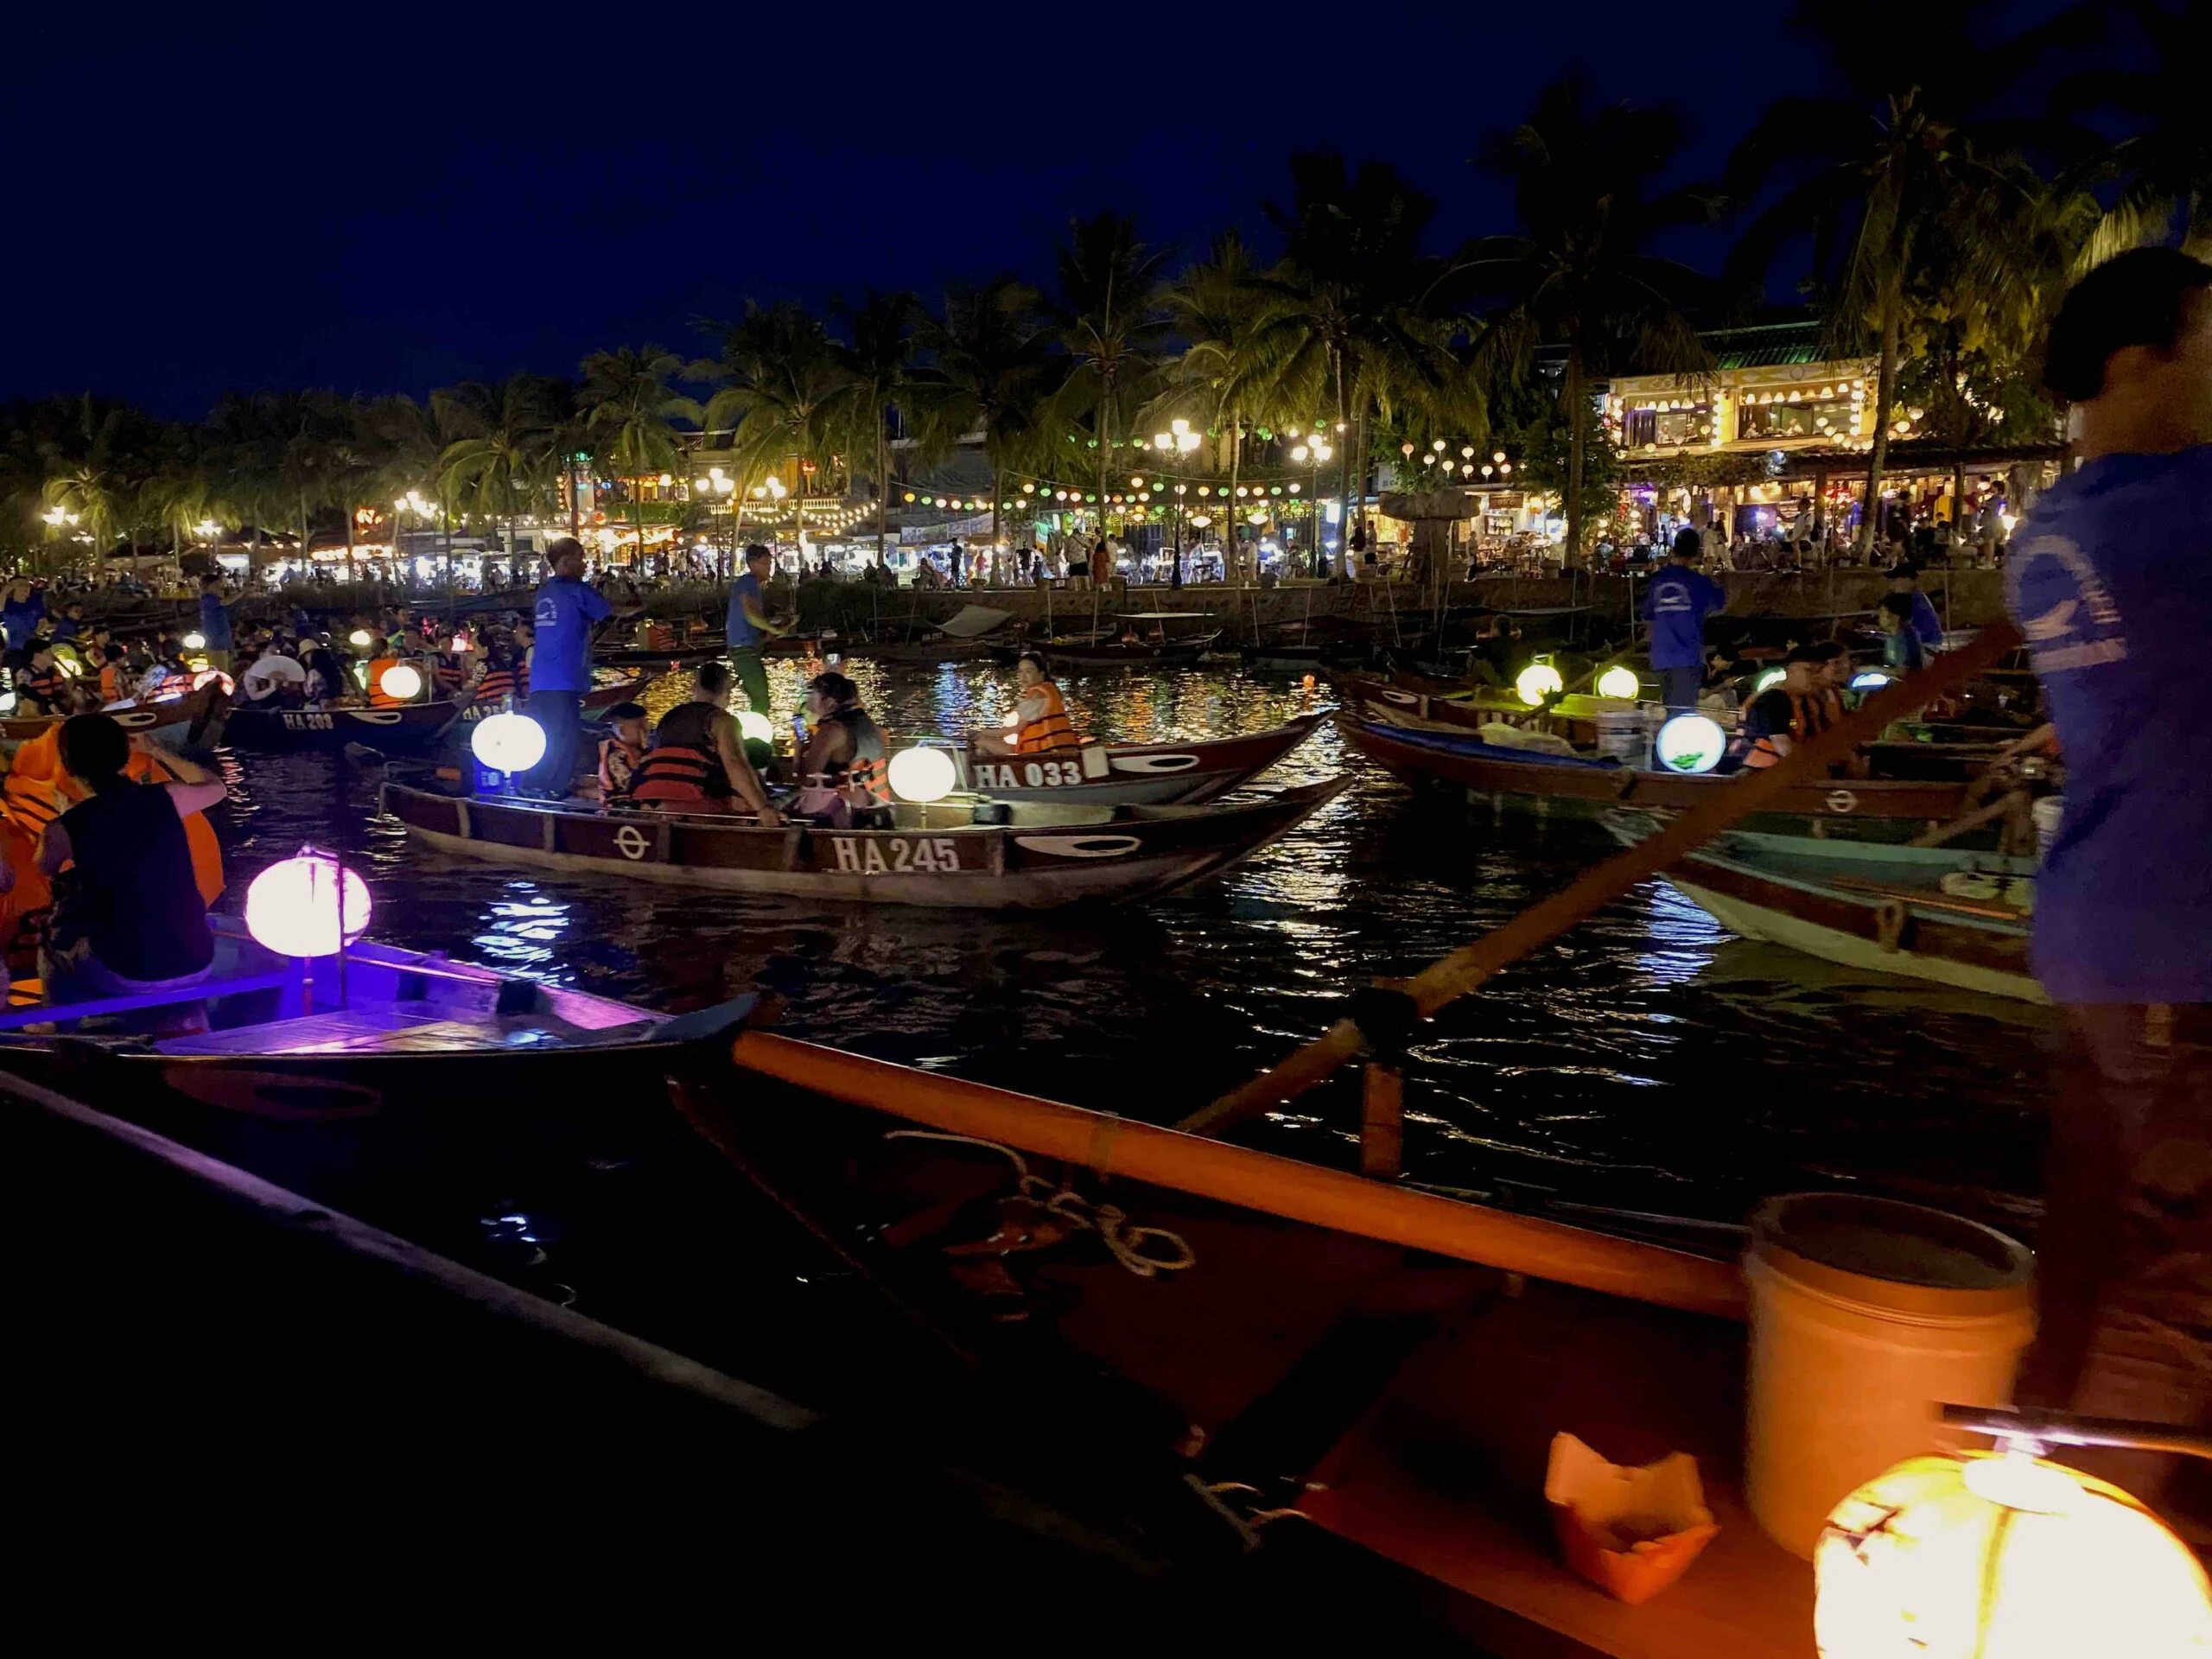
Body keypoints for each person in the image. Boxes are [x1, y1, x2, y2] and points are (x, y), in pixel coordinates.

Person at [1999, 248, 2212, 1507]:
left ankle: (2043, 1503)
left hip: (2103, 935)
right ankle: (2102, 1550)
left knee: (2089, 1263)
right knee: (2172, 1286)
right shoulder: (2182, 514)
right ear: (2140, 364)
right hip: (2179, 953)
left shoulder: (2058, 526)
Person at [37, 716, 226, 1022]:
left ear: (68, 764)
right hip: (197, 960)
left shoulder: (65, 826)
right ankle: (192, 1020)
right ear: (125, 755)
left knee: (50, 941)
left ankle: (61, 1036)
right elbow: (216, 787)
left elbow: (45, 867)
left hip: (124, 970)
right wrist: (158, 752)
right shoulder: (166, 797)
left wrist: (66, 816)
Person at [529, 537, 640, 798]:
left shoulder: (544, 592)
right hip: (565, 678)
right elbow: (613, 613)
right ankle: (555, 790)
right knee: (565, 737)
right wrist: (636, 603)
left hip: (540, 679)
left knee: (544, 734)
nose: (585, 562)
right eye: (580, 557)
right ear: (567, 562)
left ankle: (534, 782)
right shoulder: (578, 590)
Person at [630, 661, 781, 822]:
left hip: (657, 803)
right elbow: (735, 764)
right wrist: (762, 808)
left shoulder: (669, 717)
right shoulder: (723, 721)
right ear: (727, 693)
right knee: (747, 808)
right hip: (701, 805)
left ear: (694, 688)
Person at [1641, 528, 1728, 712]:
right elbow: (1720, 601)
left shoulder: (1657, 581)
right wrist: (1711, 574)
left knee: (1668, 708)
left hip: (1660, 656)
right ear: (1697, 552)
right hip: (1686, 656)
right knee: (1682, 713)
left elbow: (1647, 612)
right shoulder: (1699, 582)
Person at [793, 672, 892, 828]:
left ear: (829, 701)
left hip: (845, 816)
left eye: (812, 692)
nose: (807, 697)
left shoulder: (831, 731)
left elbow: (806, 779)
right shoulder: (870, 725)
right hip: (878, 808)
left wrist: (798, 751)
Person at [1738, 645, 1839, 769]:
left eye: (1817, 672)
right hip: (1765, 773)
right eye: (1808, 671)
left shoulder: (1808, 703)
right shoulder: (1773, 699)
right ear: (1790, 670)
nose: (1814, 677)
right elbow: (1781, 744)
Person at [981, 651, 1083, 757]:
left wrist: (983, 733)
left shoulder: (1036, 695)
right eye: (1020, 672)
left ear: (1041, 674)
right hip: (1065, 748)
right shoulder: (1052, 690)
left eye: (1028, 672)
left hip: (1043, 752)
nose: (1023, 677)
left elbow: (1015, 729)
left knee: (981, 742)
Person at [724, 544, 785, 717]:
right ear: (752, 564)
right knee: (761, 699)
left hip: (746, 647)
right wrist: (771, 627)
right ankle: (757, 739)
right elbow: (750, 614)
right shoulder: (747, 582)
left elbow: (750, 620)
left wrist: (770, 632)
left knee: (758, 696)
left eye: (770, 562)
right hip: (743, 649)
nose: (769, 567)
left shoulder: (753, 586)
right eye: (765, 563)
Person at [594, 702, 650, 803]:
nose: (647, 730)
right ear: (622, 730)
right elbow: (637, 784)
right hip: (622, 808)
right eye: (640, 727)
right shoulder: (615, 755)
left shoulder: (639, 751)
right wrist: (646, 751)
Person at [1886, 563, 1945, 657]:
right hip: (1929, 645)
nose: (1892, 583)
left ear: (1906, 580)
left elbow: (1897, 626)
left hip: (1925, 647)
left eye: (1895, 579)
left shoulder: (1908, 599)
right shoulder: (1918, 598)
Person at [240, 640, 308, 705]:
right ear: (262, 654)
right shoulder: (251, 673)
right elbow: (253, 696)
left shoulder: (279, 671)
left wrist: (285, 685)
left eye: (277, 652)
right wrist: (271, 688)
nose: (274, 655)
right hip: (252, 707)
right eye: (271, 652)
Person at [1874, 593, 1925, 673]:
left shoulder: (1904, 638)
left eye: (1882, 611)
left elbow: (1902, 671)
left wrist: (1873, 670)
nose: (1879, 616)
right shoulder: (1892, 637)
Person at [197, 574, 235, 672]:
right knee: (220, 672)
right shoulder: (208, 599)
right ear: (207, 586)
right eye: (216, 586)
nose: (220, 589)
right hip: (215, 642)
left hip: (219, 641)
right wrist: (243, 591)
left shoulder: (211, 598)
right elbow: (226, 601)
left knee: (222, 670)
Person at [2, 577, 46, 652]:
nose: (26, 587)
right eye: (21, 585)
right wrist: (4, 593)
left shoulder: (35, 602)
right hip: (15, 647)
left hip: (34, 643)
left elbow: (43, 620)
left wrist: (40, 629)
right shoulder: (7, 604)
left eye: (27, 585)